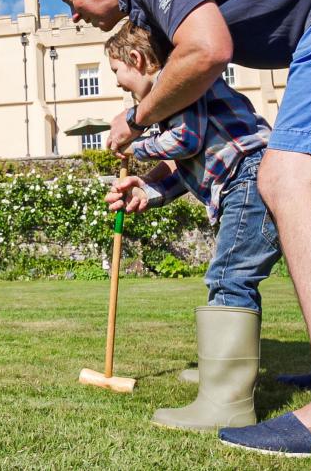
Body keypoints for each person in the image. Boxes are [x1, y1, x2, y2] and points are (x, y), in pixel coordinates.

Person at [51, 0, 311, 459]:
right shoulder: (163, 18)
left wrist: (136, 124)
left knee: (290, 180)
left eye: (71, 2)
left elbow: (208, 52)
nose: (73, 18)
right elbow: (194, 152)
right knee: (307, 184)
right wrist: (152, 185)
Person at [104, 21, 280, 431]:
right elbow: (186, 166)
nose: (117, 84)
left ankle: (228, 402)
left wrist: (135, 139)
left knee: (229, 277)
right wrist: (146, 191)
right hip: (242, 178)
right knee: (226, 278)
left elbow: (186, 141)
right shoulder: (170, 98)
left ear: (137, 59)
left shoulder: (174, 80)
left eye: (116, 72)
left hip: (249, 177)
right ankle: (221, 374)